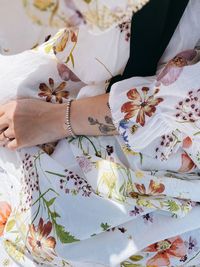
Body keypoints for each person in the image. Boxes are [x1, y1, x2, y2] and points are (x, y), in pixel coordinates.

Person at [0, 0, 200, 266]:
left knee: (57, 235)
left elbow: (174, 102)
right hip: (89, 67)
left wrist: (55, 119)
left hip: (158, 135)